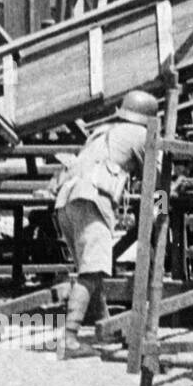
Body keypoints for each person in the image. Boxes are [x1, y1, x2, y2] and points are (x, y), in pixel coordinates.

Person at [50, 90, 158, 359]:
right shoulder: (142, 136)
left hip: (66, 200)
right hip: (91, 199)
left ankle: (107, 327)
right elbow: (157, 181)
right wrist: (162, 209)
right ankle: (70, 338)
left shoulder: (101, 130)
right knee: (92, 270)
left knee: (92, 269)